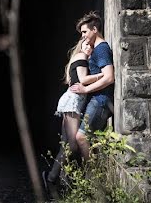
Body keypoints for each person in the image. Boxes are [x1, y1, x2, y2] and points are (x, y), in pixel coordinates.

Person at [43, 37, 105, 194]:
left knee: (66, 144)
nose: (89, 47)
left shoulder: (80, 58)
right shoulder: (82, 57)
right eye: (85, 44)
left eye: (91, 45)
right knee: (71, 145)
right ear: (80, 45)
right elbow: (83, 80)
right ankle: (54, 177)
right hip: (73, 101)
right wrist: (103, 75)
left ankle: (53, 178)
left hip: (71, 101)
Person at [68, 11, 115, 161]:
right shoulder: (96, 48)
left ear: (95, 29)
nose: (83, 36)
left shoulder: (101, 49)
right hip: (95, 100)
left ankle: (92, 177)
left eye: (85, 31)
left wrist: (85, 89)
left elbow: (109, 77)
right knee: (89, 140)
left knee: (81, 137)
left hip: (100, 101)